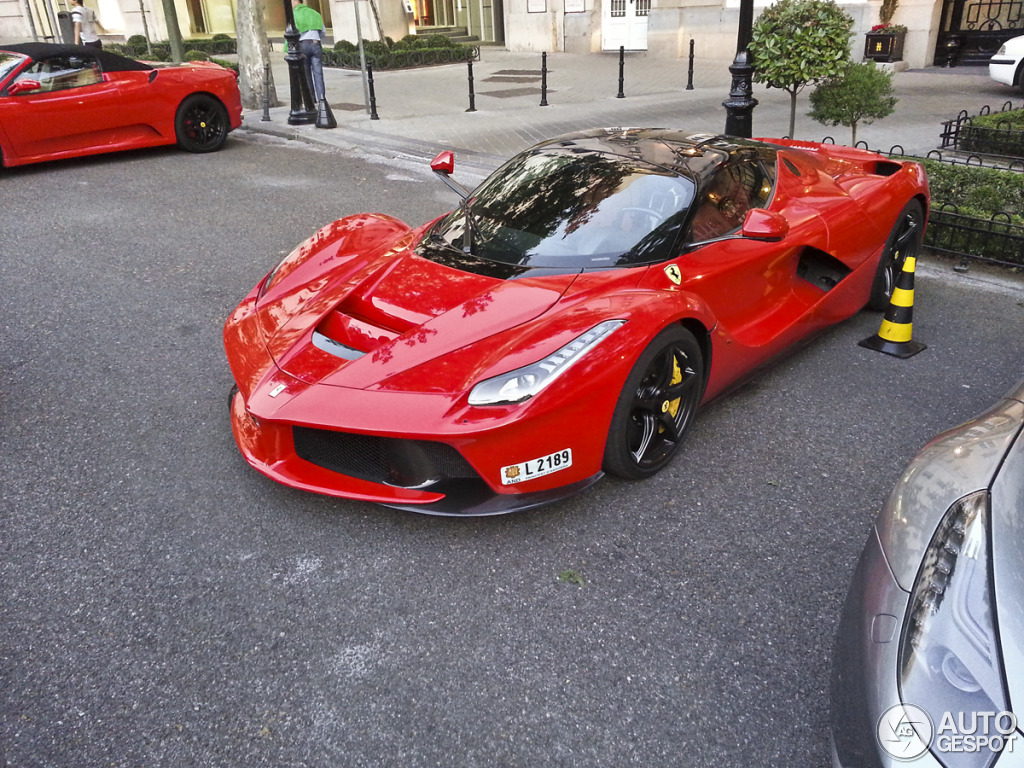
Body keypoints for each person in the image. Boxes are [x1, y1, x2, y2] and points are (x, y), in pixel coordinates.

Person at [292, 0, 326, 102]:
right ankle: (322, 98)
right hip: (316, 43)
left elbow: (293, 33)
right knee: (318, 73)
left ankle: (311, 99)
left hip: (302, 44)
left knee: (306, 74)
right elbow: (323, 31)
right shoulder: (314, 13)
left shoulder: (294, 14)